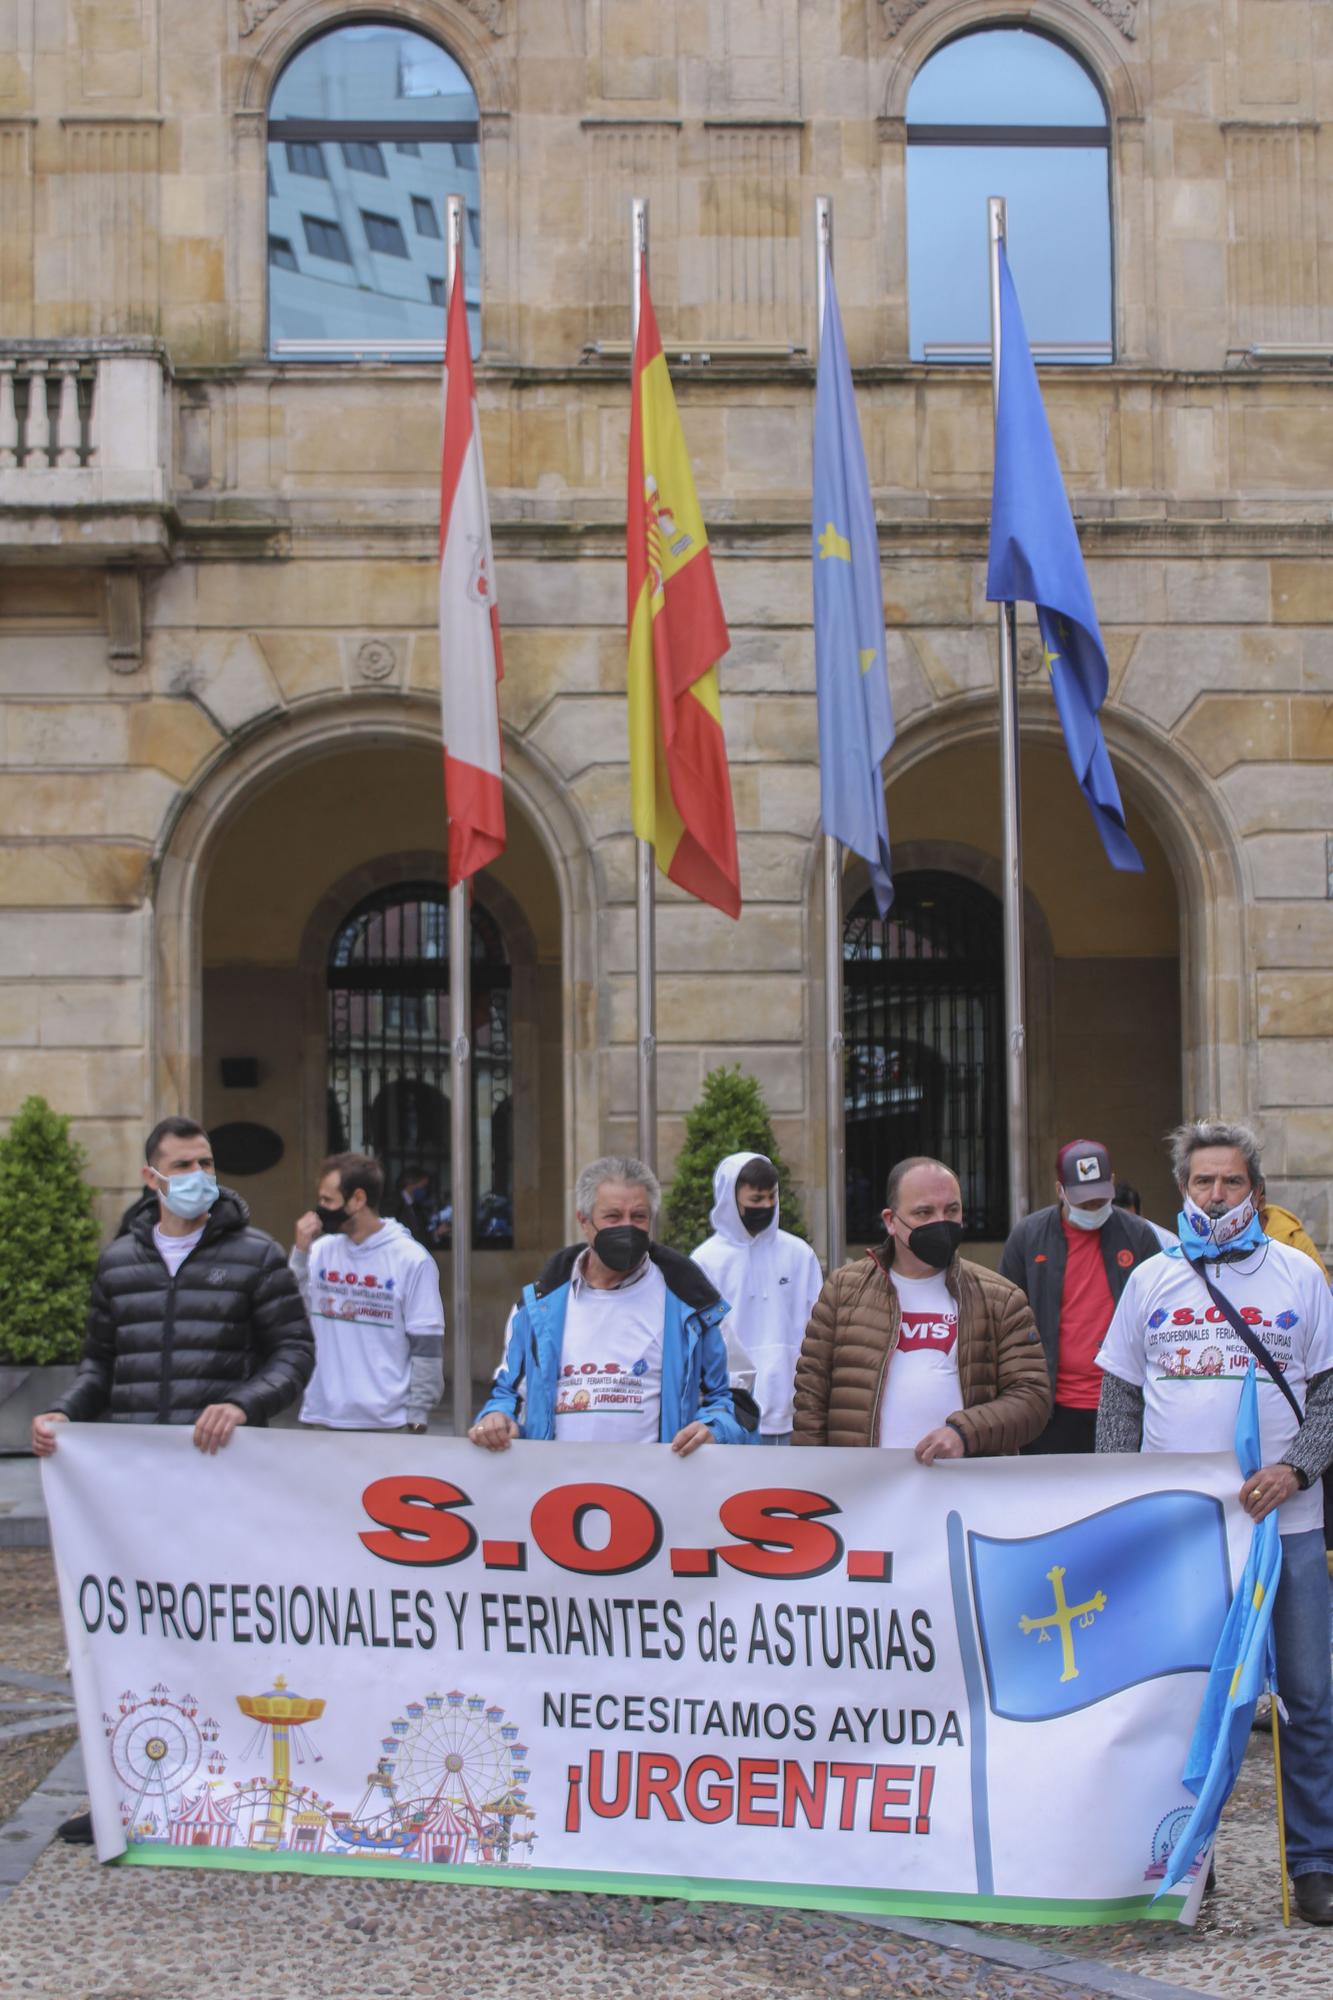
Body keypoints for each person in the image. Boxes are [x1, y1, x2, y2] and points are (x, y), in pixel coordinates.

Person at [29, 1114, 314, 1844]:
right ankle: (119, 1796)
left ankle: (225, 1792)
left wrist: (242, 1405)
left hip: (220, 1487)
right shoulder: (117, 1262)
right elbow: (100, 1366)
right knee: (124, 1642)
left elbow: (292, 1355)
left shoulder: (253, 1256)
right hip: (129, 1499)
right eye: (184, 1163)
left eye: (207, 1161)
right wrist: (62, 1414)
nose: (200, 1175)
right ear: (152, 1177)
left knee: (219, 1636)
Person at [1096, 1118, 1333, 1926]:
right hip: (1182, 1537)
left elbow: (1330, 1393)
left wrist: (1295, 1465)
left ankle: (1314, 1865)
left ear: (1255, 1192)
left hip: (1287, 1527)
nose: (1216, 1195)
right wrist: (1121, 1499)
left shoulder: (1298, 1275)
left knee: (1305, 1698)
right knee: (1179, 1702)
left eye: (1230, 1182)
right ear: (1182, 1191)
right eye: (1202, 1182)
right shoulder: (1151, 1280)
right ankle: (1184, 1860)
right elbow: (1119, 1398)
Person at [468, 1154, 751, 1452]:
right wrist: (496, 1416)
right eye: (613, 1217)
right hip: (557, 1487)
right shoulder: (535, 1309)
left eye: (638, 1216)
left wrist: (715, 1428)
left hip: (656, 1490)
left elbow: (734, 1394)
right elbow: (510, 1392)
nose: (627, 1227)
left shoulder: (694, 1306)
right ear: (584, 1222)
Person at [793, 1156, 1049, 1457]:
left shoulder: (1000, 1298)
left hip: (965, 1490)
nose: (940, 1222)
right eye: (924, 1212)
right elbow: (811, 1397)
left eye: (951, 1210)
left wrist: (964, 1434)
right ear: (891, 1221)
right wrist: (813, 1479)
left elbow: (1032, 1398)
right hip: (865, 1487)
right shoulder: (844, 1291)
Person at [999, 1139, 1161, 1455]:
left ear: (1112, 1183)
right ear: (1060, 1190)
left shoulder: (1138, 1235)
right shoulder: (1028, 1236)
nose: (1092, 1209)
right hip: (1050, 1410)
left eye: (1100, 1201)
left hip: (1122, 1409)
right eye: (1083, 1202)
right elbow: (1004, 1320)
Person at [291, 1153, 444, 1433]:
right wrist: (300, 1253)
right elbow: (292, 1312)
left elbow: (427, 1343)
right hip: (323, 1417)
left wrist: (418, 1415)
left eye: (328, 1200)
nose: (319, 1210)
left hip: (388, 1423)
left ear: (358, 1199)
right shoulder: (321, 1251)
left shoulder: (411, 1259)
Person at [691, 1152, 822, 1446]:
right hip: (731, 1416)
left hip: (794, 1412)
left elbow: (817, 1331)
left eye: (771, 1197)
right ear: (730, 1199)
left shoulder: (800, 1254)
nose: (765, 1206)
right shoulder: (705, 1261)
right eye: (756, 1199)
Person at [1113, 1181, 1178, 1251]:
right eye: (1118, 1220)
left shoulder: (1168, 1242)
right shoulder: (1102, 1237)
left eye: (1128, 1219)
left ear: (1140, 1215)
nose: (1124, 1227)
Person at [392, 1165, 439, 1251]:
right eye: (423, 1186)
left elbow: (421, 1235)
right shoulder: (393, 1204)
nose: (425, 1190)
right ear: (411, 1184)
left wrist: (436, 1233)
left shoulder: (417, 1208)